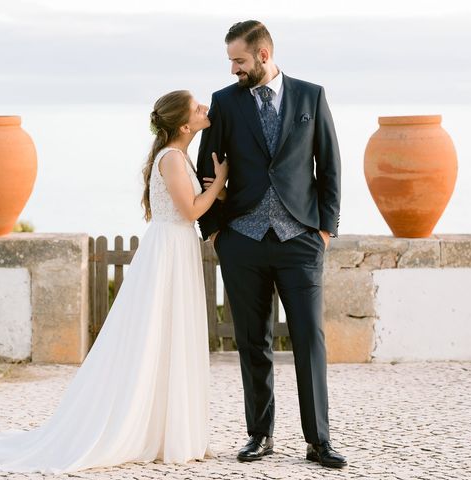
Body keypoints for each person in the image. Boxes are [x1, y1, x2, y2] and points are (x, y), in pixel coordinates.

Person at [0, 90, 228, 474]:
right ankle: (151, 428)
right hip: (169, 250)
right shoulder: (172, 158)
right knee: (158, 332)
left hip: (176, 248)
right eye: (197, 108)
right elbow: (189, 211)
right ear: (185, 125)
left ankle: (170, 427)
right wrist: (219, 183)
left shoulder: (178, 155)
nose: (206, 109)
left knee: (172, 334)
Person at [197, 20, 346, 468]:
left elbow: (330, 165)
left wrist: (324, 230)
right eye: (230, 62)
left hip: (299, 237)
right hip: (242, 240)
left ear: (263, 55)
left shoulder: (310, 95)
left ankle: (318, 440)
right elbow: (207, 168)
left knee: (309, 339)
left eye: (239, 61)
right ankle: (259, 436)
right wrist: (217, 233)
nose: (233, 70)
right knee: (251, 340)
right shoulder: (225, 103)